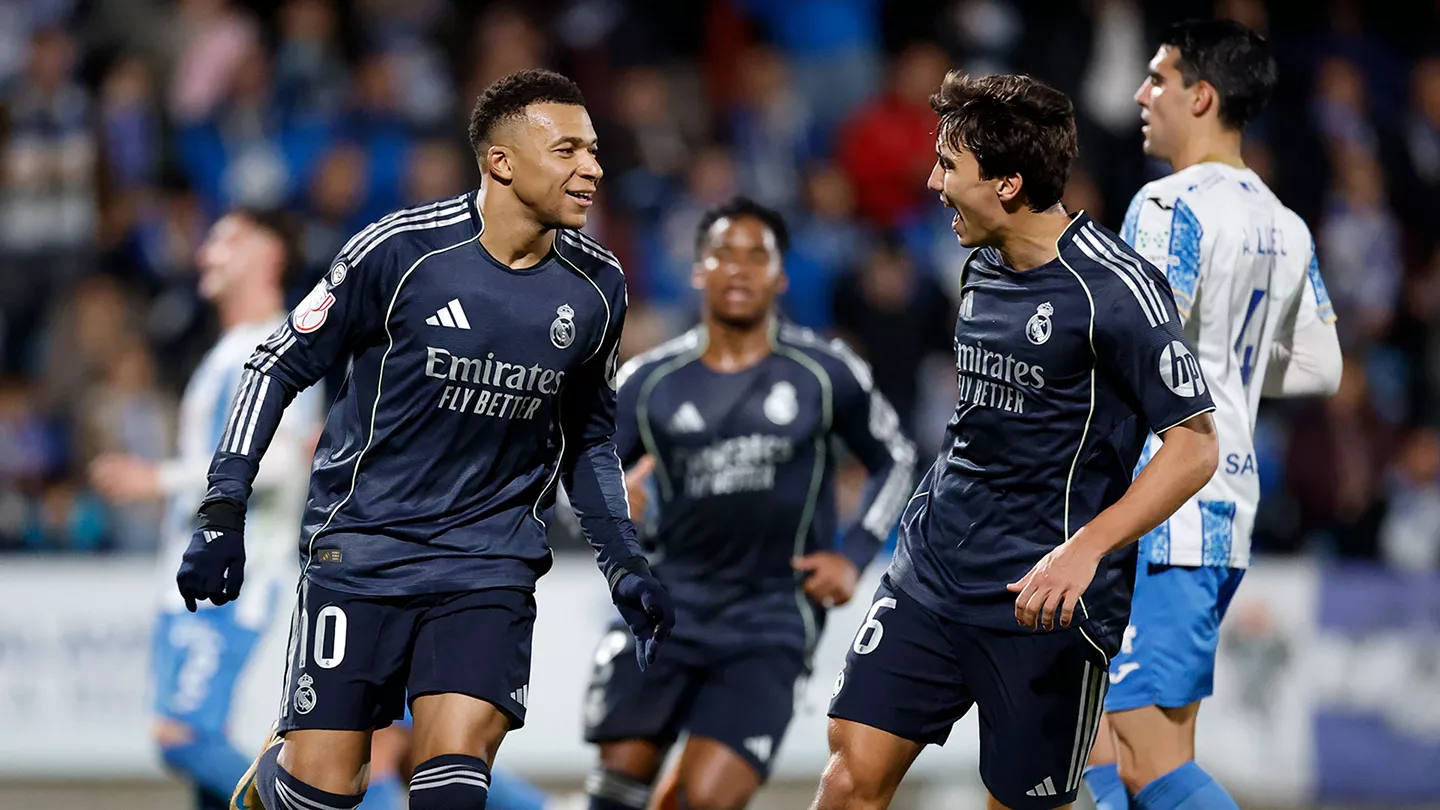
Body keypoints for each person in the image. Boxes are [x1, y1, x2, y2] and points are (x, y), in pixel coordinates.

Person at [175, 68, 675, 810]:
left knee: (451, 782)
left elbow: (589, 437)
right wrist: (223, 509)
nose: (593, 167)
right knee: (325, 790)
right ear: (502, 162)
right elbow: (276, 362)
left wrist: (624, 560)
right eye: (568, 149)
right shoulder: (399, 252)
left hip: (490, 563)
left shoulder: (598, 285)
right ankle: (278, 786)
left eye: (594, 150)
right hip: (362, 551)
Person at [813, 72, 1221, 810]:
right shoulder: (979, 265)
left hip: (1041, 605)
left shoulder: (1117, 291)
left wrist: (1085, 550)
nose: (932, 182)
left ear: (1006, 183)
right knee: (848, 777)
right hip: (930, 577)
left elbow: (1195, 448)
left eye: (948, 167)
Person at [1082, 20, 1343, 810]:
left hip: (1165, 507)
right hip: (1222, 504)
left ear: (1201, 95)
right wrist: (1228, 371)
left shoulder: (1166, 205)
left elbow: (1147, 343)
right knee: (1089, 735)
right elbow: (1323, 364)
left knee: (1151, 766)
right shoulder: (1284, 222)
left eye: (1157, 78)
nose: (1140, 93)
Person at [583, 196, 917, 810]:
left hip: (771, 616)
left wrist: (857, 554)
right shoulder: (647, 381)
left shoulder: (824, 372)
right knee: (616, 785)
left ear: (781, 274)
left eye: (755, 256)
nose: (738, 269)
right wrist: (610, 511)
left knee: (709, 799)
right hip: (666, 603)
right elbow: (579, 474)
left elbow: (894, 457)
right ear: (697, 269)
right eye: (722, 255)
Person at [89, 209, 323, 810]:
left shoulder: (275, 348)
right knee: (201, 757)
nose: (208, 253)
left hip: (237, 579)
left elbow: (279, 464)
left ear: (271, 256)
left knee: (184, 735)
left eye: (228, 241)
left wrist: (157, 479)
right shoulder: (229, 351)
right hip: (199, 577)